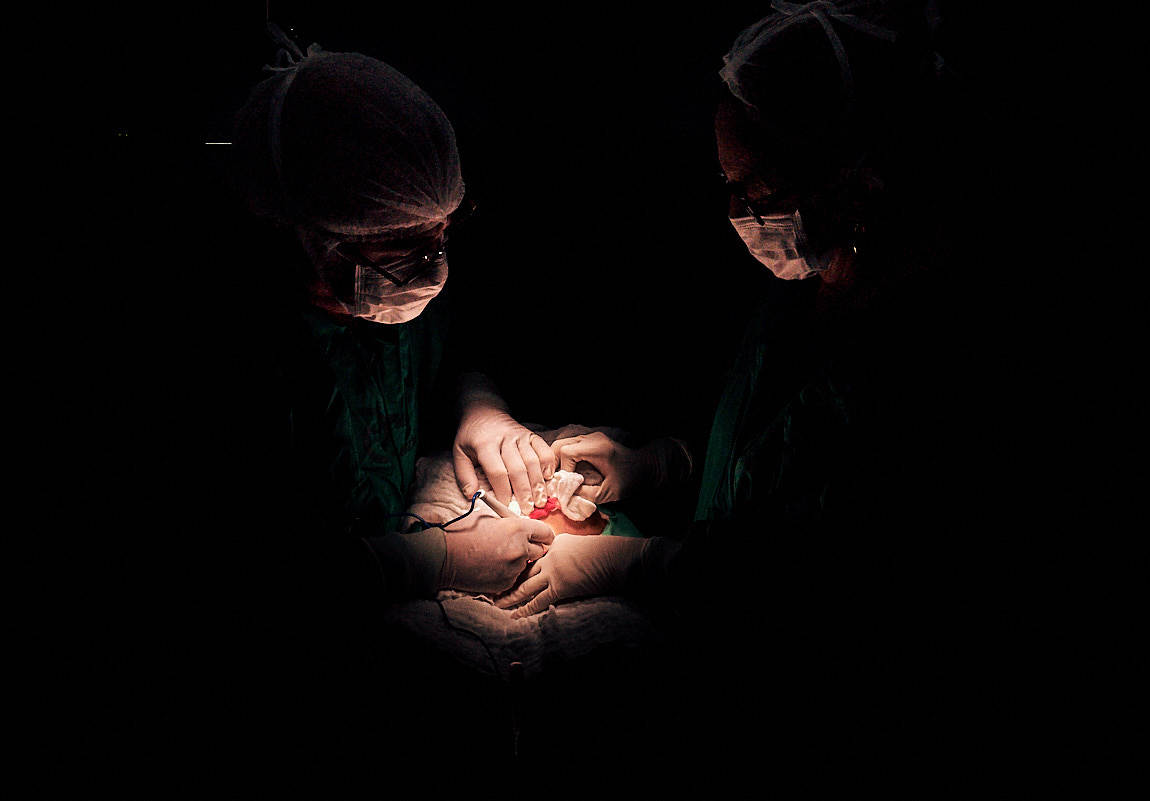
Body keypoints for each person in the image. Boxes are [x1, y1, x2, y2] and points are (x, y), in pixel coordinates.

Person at [495, 0, 1016, 767]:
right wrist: (664, 462)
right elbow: (773, 463)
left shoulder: (931, 350)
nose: (736, 211)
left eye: (757, 189)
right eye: (727, 181)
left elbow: (842, 583)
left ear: (860, 180)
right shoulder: (810, 281)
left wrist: (644, 565)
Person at [228, 24, 557, 607]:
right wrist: (424, 562)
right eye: (405, 251)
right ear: (305, 237)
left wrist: (479, 406)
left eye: (443, 236)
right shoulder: (256, 347)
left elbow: (448, 352)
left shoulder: (386, 281)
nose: (432, 270)